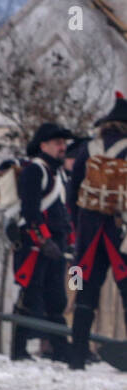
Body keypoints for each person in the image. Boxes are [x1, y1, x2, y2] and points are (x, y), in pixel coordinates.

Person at [68, 96, 127, 370]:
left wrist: (77, 224)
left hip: (87, 234)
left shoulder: (87, 148)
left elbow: (73, 190)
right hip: (120, 233)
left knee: (82, 289)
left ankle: (76, 354)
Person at [9, 122, 75, 361]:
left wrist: (67, 242)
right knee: (29, 296)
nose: (62, 148)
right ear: (43, 145)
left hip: (56, 245)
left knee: (56, 299)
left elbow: (65, 212)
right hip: (36, 246)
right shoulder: (34, 171)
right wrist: (44, 240)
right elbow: (31, 212)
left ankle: (60, 350)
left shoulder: (59, 174)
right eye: (58, 143)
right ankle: (18, 351)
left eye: (63, 144)